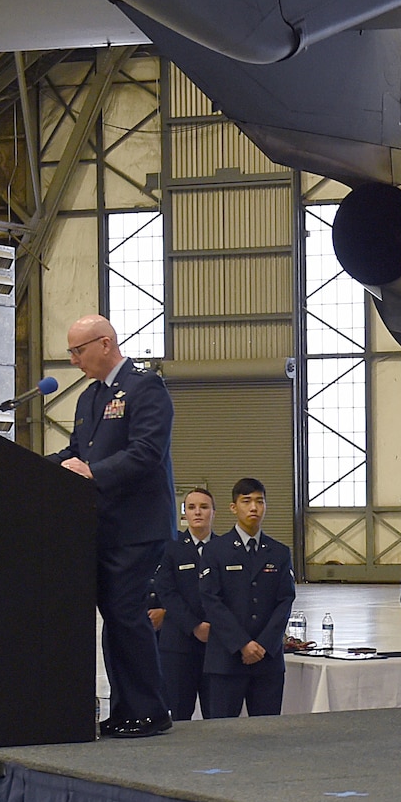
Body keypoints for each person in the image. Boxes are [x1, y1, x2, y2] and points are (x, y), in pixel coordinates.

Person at [50, 314, 176, 739]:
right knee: (116, 617)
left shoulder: (146, 388)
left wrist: (92, 473)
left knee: (125, 613)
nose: (73, 361)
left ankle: (150, 709)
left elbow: (146, 452)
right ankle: (127, 708)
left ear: (105, 344)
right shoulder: (89, 399)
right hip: (102, 528)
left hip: (138, 526)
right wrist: (36, 467)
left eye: (78, 351)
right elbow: (75, 451)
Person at [197, 478, 296, 719]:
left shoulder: (280, 552)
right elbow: (211, 600)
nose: (254, 507)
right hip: (227, 660)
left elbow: (285, 601)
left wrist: (263, 644)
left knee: (267, 733)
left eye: (259, 501)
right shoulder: (215, 551)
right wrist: (243, 643)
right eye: (246, 501)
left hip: (267, 659)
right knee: (223, 733)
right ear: (234, 508)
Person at [147, 486, 216, 722]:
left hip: (216, 644)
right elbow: (167, 592)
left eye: (204, 507)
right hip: (178, 645)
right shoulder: (170, 548)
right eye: (192, 507)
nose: (198, 512)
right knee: (178, 713)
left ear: (213, 512)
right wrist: (194, 626)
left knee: (216, 713)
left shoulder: (224, 548)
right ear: (184, 513)